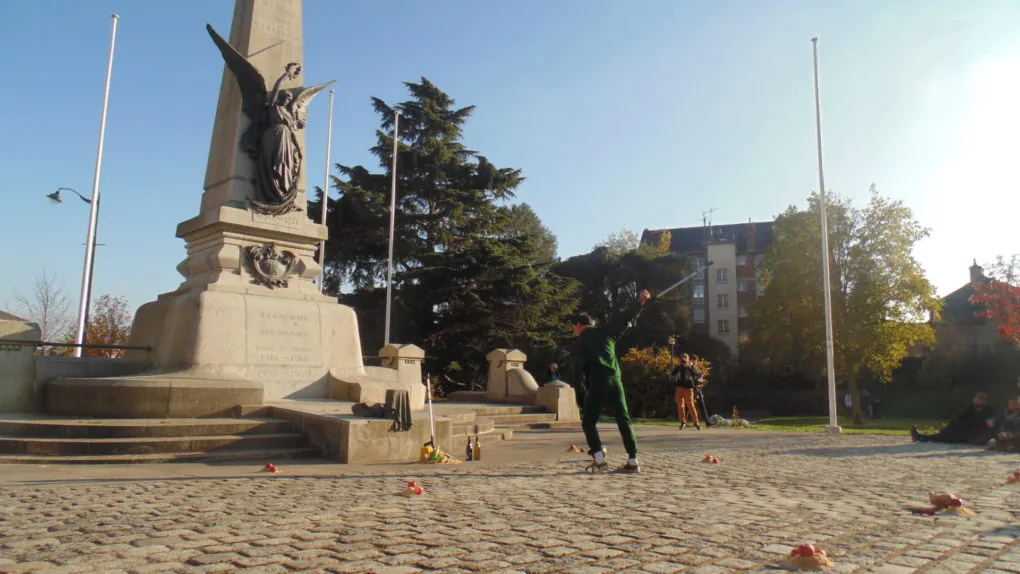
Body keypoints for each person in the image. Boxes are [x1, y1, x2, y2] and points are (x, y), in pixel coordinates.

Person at [569, 289, 652, 474]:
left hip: (598, 383)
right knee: (624, 420)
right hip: (616, 381)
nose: (574, 331)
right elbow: (624, 319)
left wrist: (580, 396)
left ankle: (599, 460)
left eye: (574, 327)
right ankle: (633, 460)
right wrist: (639, 303)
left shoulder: (581, 342)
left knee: (589, 422)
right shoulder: (607, 332)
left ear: (580, 325)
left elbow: (577, 373)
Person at [911, 392, 1000, 445]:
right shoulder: (970, 409)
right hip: (963, 431)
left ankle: (922, 437)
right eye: (975, 398)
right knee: (947, 433)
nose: (976, 401)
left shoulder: (989, 410)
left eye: (979, 399)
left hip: (974, 434)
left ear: (984, 401)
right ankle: (922, 437)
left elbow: (987, 423)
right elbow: (960, 418)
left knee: (946, 437)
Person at [670, 354, 703, 430]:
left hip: (688, 388)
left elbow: (697, 374)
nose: (684, 359)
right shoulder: (678, 367)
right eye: (682, 358)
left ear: (688, 359)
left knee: (690, 405)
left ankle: (696, 422)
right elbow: (672, 374)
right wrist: (678, 367)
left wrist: (689, 367)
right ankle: (683, 422)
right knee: (680, 405)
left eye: (685, 358)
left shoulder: (691, 367)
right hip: (679, 387)